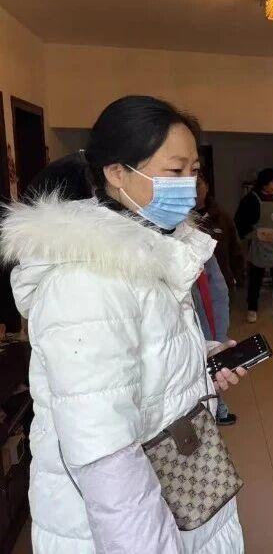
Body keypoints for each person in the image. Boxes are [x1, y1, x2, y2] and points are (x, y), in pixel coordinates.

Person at [1, 95, 246, 553]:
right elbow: (105, 457)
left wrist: (199, 363)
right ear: (117, 173)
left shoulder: (145, 256)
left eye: (194, 170)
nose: (189, 186)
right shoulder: (86, 280)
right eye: (174, 171)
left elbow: (136, 365)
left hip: (175, 490)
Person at [234, 168, 273, 322]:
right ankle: (252, 309)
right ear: (263, 183)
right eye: (272, 183)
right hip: (259, 246)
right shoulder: (251, 199)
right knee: (256, 277)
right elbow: (239, 220)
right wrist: (251, 235)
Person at [193, 254, 238, 426]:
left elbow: (218, 294)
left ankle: (216, 407)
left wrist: (218, 340)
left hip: (201, 333)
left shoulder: (199, 248)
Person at [196, 172, 246, 292]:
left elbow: (235, 248)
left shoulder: (222, 217)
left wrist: (237, 277)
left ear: (206, 186)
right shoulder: (178, 219)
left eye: (198, 184)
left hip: (220, 284)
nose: (194, 189)